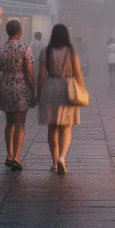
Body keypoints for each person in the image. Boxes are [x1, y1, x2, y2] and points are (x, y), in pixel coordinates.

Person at [37, 24, 84, 174]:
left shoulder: (46, 51)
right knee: (66, 126)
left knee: (52, 127)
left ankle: (54, 162)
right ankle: (62, 158)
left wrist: (38, 92)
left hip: (50, 87)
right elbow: (78, 73)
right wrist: (81, 90)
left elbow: (41, 74)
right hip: (67, 88)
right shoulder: (72, 52)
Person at [0, 20, 35, 171]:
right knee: (20, 124)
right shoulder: (25, 47)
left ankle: (9, 155)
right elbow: (29, 70)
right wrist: (33, 89)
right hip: (20, 86)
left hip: (5, 85)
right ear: (20, 31)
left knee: (9, 123)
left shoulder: (0, 49)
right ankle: (17, 157)